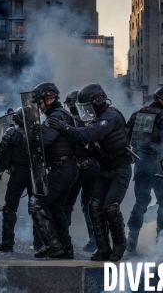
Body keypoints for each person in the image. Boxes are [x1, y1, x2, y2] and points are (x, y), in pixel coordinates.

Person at [48, 83, 131, 262]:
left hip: (120, 170)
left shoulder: (110, 116)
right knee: (94, 206)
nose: (85, 110)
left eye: (87, 106)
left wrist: (65, 128)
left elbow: (90, 134)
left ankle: (119, 245)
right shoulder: (96, 117)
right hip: (104, 168)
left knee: (110, 208)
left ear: (98, 101)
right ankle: (102, 248)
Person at [126, 86, 163, 253]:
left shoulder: (137, 114)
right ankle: (162, 245)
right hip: (159, 167)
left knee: (141, 202)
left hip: (141, 165)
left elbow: (127, 137)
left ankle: (132, 239)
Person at [28, 82, 78, 259]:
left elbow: (42, 141)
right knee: (57, 209)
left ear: (49, 99)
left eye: (40, 102)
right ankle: (66, 248)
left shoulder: (55, 117)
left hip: (60, 169)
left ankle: (52, 244)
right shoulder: (62, 114)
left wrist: (33, 133)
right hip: (67, 169)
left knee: (37, 203)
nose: (39, 107)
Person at [0, 107, 39, 252]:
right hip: (35, 174)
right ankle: (40, 243)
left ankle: (7, 243)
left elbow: (1, 152)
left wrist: (1, 167)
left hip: (18, 172)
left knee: (10, 208)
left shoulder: (12, 132)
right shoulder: (39, 132)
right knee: (37, 208)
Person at [62, 90, 100, 253]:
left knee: (67, 205)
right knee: (89, 204)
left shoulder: (72, 121)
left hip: (77, 167)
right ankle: (95, 239)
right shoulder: (92, 120)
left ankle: (63, 241)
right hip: (94, 166)